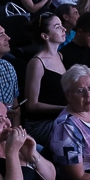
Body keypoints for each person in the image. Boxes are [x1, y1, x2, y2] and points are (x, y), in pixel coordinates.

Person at [24, 13, 68, 145]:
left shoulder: (59, 55)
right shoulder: (37, 63)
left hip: (61, 116)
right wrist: (65, 108)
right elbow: (31, 105)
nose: (64, 29)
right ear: (45, 36)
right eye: (57, 27)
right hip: (41, 123)